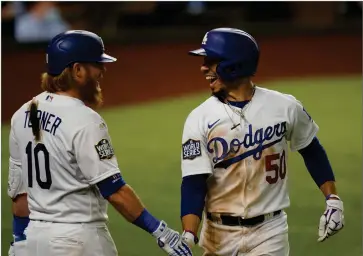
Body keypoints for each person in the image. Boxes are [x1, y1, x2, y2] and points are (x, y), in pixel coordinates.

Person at [7, 30, 192, 256]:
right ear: (77, 70)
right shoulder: (85, 120)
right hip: (78, 241)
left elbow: (20, 195)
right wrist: (159, 230)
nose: (102, 71)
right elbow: (114, 190)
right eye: (96, 64)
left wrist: (19, 239)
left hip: (35, 239)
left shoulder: (21, 115)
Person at [179, 27, 344, 255]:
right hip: (217, 236)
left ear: (234, 64)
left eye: (211, 61)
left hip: (270, 232)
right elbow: (193, 183)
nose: (203, 67)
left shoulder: (284, 107)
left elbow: (312, 149)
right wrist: (188, 235)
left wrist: (333, 199)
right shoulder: (199, 118)